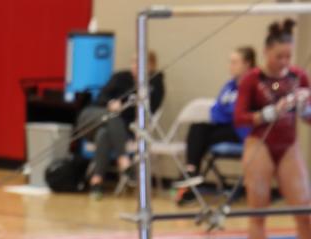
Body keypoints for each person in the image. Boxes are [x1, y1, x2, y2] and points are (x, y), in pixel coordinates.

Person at [234, 20, 311, 239]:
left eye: (288, 56)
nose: (284, 61)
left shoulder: (298, 76)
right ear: (266, 52)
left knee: (305, 212)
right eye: (279, 56)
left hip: (288, 145)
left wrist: (305, 107)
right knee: (259, 211)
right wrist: (269, 113)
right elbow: (239, 117)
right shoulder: (252, 79)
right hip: (260, 144)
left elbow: (309, 119)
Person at [76, 52, 165, 198]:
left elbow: (151, 110)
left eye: (140, 62)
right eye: (133, 61)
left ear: (151, 66)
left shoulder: (155, 84)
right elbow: (101, 98)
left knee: (105, 134)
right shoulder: (120, 77)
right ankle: (124, 163)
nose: (135, 65)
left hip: (118, 129)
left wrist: (127, 104)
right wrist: (111, 104)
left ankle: (96, 182)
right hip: (93, 117)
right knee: (112, 117)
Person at [175, 47, 255, 205]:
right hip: (226, 126)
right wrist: (227, 113)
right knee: (198, 127)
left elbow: (238, 113)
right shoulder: (230, 85)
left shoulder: (252, 84)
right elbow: (216, 110)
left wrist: (227, 113)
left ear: (247, 64)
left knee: (201, 135)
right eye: (230, 62)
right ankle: (191, 173)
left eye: (234, 62)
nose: (230, 66)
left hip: (243, 132)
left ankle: (191, 177)